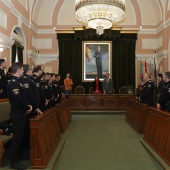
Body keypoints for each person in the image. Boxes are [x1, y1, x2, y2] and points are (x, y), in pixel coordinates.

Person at [7, 62, 32, 169]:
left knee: (20, 136)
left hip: (21, 112)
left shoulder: (18, 82)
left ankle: (19, 156)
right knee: (17, 138)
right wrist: (27, 107)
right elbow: (18, 100)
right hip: (17, 114)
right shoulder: (13, 83)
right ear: (18, 70)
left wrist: (26, 107)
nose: (23, 71)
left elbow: (23, 98)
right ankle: (13, 161)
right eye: (22, 69)